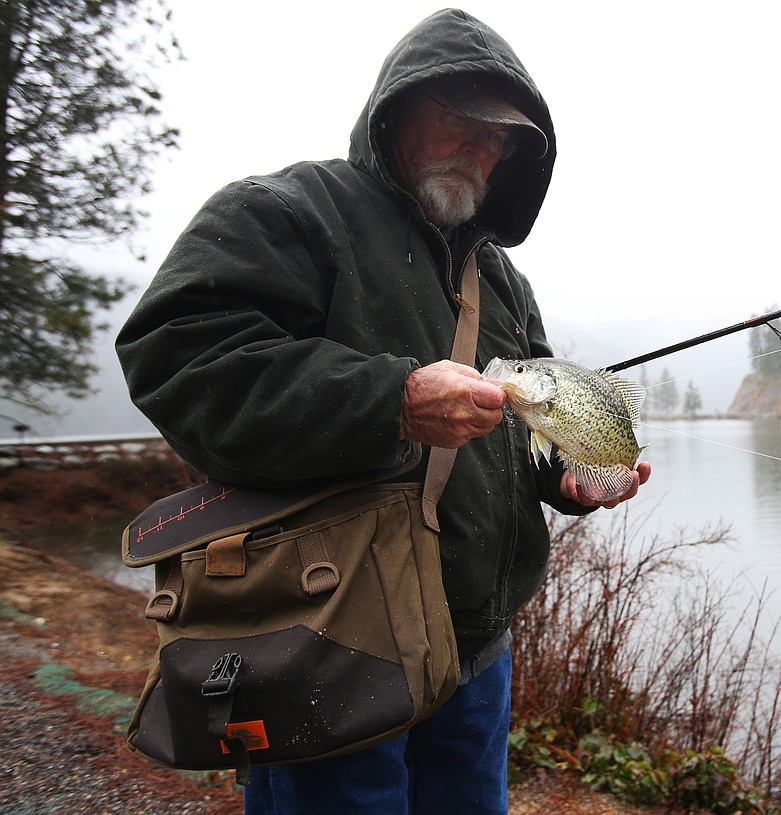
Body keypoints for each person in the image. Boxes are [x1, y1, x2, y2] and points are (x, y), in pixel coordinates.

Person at [116, 8, 650, 814]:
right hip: (328, 645)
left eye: (500, 137)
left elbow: (517, 436)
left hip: (475, 654)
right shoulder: (287, 211)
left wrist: (567, 483)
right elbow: (177, 356)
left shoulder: (501, 281)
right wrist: (392, 399)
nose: (480, 147)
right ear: (396, 111)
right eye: (459, 121)